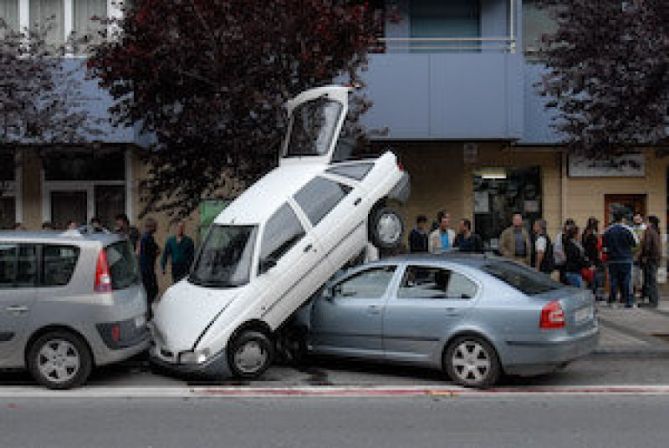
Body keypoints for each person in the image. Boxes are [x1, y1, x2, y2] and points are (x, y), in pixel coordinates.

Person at [603, 208, 638, 308]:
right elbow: (635, 244)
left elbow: (604, 246)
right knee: (627, 280)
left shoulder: (608, 230)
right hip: (626, 259)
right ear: (623, 219)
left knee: (613, 280)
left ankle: (612, 301)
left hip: (612, 260)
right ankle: (628, 302)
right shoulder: (628, 230)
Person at [139, 218, 161, 316]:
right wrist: (156, 252)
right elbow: (156, 250)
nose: (157, 228)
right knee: (152, 289)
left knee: (150, 290)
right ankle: (147, 310)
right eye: (155, 226)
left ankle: (148, 310)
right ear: (151, 227)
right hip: (146, 269)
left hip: (147, 268)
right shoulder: (147, 238)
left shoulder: (147, 237)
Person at [640, 215, 661, 308]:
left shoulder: (649, 231)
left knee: (651, 280)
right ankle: (653, 300)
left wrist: (644, 256)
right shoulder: (656, 231)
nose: (645, 223)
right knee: (652, 280)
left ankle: (653, 302)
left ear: (650, 222)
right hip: (655, 259)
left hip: (650, 259)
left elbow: (647, 245)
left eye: (646, 221)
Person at [582, 217, 604, 300]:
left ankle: (591, 293)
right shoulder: (593, 234)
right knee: (597, 277)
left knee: (591, 278)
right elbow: (596, 248)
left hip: (589, 258)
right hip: (594, 259)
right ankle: (596, 294)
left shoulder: (585, 233)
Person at [553, 218, 576, 283]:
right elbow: (557, 249)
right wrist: (564, 257)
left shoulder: (568, 237)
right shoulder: (560, 236)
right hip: (561, 264)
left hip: (566, 264)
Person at [631, 213, 646, 300]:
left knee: (641, 276)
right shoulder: (632, 229)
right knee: (633, 275)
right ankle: (634, 292)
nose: (636, 221)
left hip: (642, 256)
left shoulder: (645, 229)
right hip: (633, 255)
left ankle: (642, 293)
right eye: (635, 219)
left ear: (641, 219)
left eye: (638, 219)